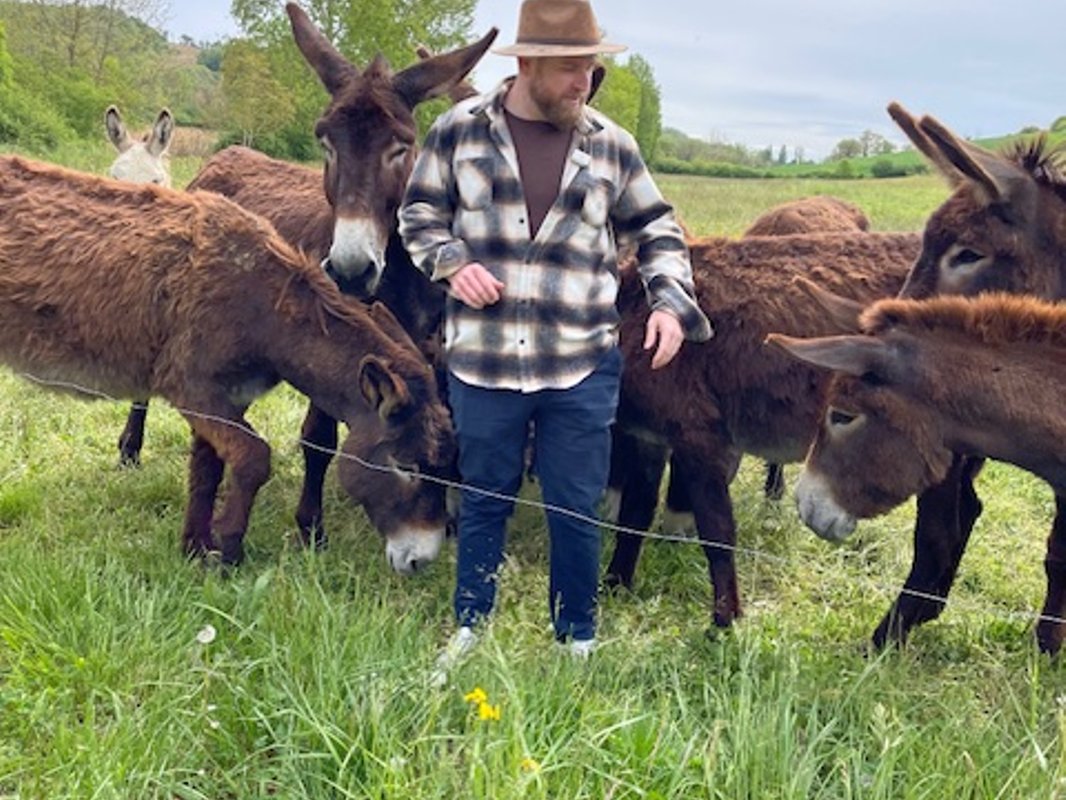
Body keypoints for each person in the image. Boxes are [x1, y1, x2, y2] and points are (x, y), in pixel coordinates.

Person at [399, 0, 712, 666]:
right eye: (572, 67)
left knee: (574, 507)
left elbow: (658, 230)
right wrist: (452, 266)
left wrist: (668, 302)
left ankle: (577, 641)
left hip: (579, 363)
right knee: (484, 497)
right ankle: (470, 627)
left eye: (591, 66)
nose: (585, 81)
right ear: (531, 65)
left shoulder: (611, 146)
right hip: (483, 362)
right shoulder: (458, 133)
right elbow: (419, 217)